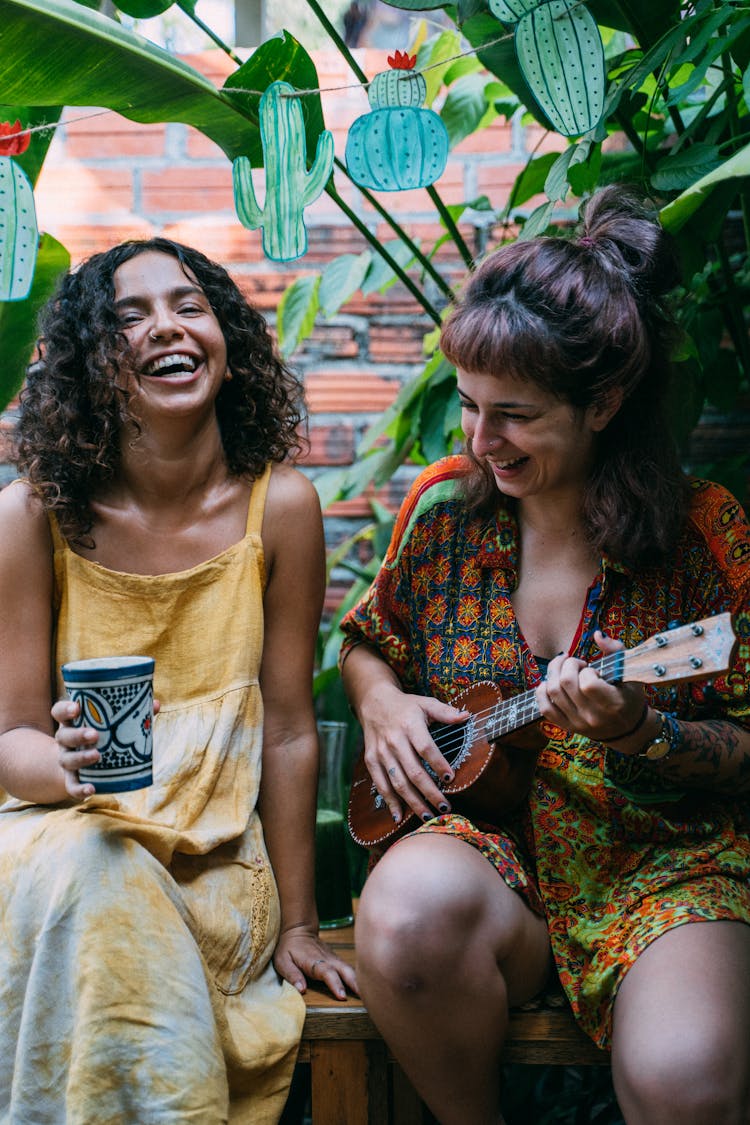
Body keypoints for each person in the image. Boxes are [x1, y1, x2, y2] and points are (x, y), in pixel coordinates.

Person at [339, 186, 750, 1125]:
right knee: (403, 914)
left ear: (602, 402)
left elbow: (745, 748)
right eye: (471, 407)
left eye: (514, 415)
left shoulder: (704, 536)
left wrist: (647, 730)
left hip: (664, 862)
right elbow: (370, 637)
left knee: (686, 1082)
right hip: (494, 853)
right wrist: (381, 703)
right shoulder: (445, 509)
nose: (481, 443)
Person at [0, 237, 357, 1125]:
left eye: (190, 305)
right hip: (61, 844)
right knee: (100, 863)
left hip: (215, 868)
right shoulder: (29, 516)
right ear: (91, 360)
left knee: (118, 880)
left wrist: (302, 927)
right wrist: (69, 766)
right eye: (130, 315)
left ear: (227, 340)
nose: (168, 325)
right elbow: (11, 744)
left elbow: (286, 731)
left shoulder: (282, 508)